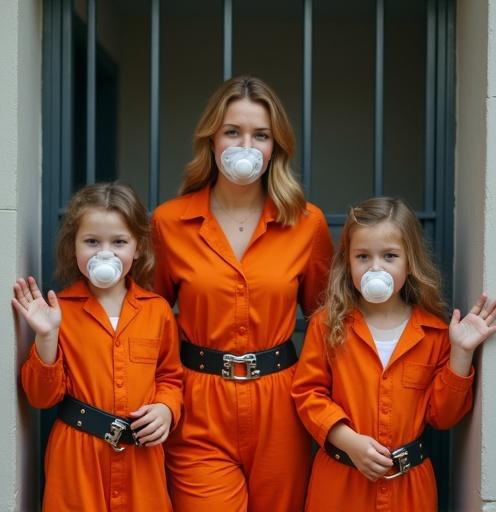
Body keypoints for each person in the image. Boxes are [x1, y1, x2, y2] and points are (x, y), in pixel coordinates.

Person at [152, 76, 334, 511]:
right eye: (233, 132)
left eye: (261, 135)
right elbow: (145, 319)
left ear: (276, 147)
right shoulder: (168, 222)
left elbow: (330, 323)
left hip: (281, 403)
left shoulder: (307, 223)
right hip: (198, 404)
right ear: (212, 139)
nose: (246, 146)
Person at [291, 196, 496, 512]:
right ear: (347, 261)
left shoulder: (433, 332)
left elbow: (443, 416)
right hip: (339, 486)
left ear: (409, 261)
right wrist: (349, 441)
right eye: (363, 256)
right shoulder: (327, 323)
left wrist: (461, 353)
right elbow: (308, 393)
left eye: (389, 256)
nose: (375, 267)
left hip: (410, 491)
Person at [14, 182, 183, 512]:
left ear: (137, 248)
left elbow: (171, 378)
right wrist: (47, 336)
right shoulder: (57, 311)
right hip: (76, 461)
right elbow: (40, 397)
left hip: (141, 462)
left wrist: (166, 409)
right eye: (92, 241)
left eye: (119, 242)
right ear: (73, 247)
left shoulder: (157, 309)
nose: (105, 252)